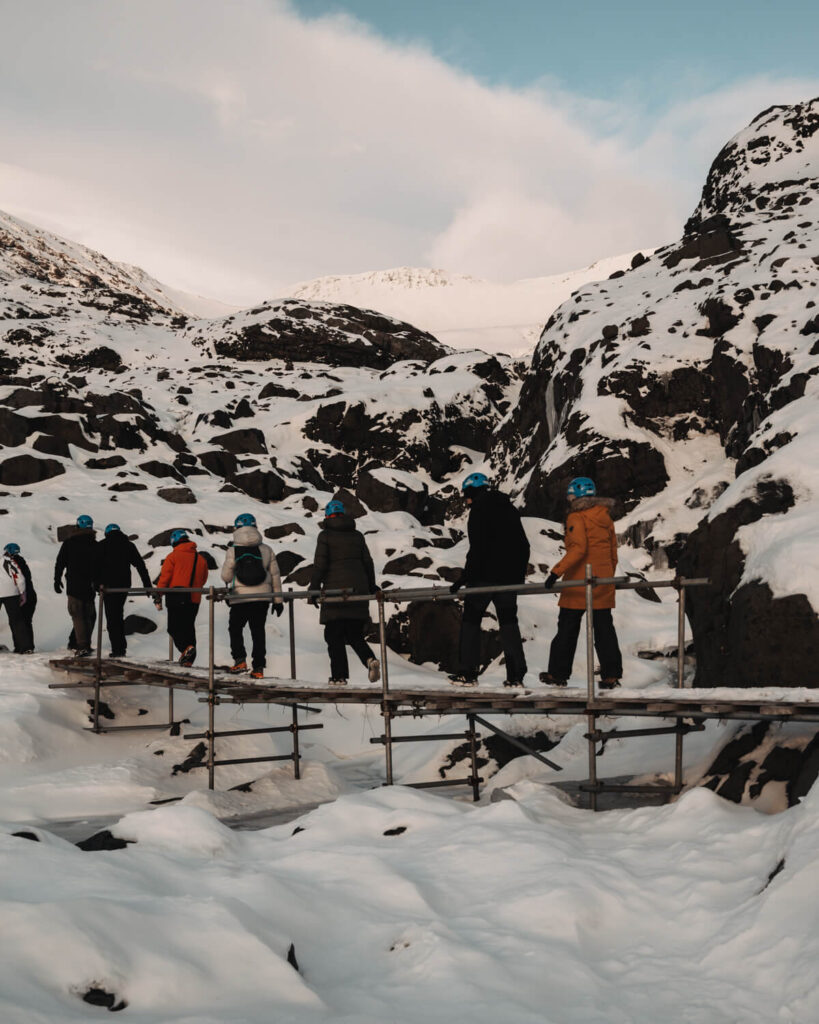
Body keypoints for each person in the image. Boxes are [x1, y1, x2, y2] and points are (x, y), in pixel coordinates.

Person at [448, 472, 530, 687]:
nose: (466, 500)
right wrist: (517, 576)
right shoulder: (509, 509)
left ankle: (467, 672)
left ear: (472, 492)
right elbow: (523, 545)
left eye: (466, 495)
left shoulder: (479, 510)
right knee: (509, 623)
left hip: (483, 578)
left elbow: (479, 548)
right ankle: (516, 676)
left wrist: (464, 577)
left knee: (471, 621)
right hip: (508, 579)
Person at [541, 477, 623, 689]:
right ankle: (611, 675)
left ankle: (557, 673)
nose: (568, 500)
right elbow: (614, 553)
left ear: (575, 496)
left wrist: (555, 573)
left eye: (569, 496)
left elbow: (578, 548)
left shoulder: (576, 517)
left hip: (578, 582)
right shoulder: (606, 518)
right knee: (604, 629)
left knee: (567, 629)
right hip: (602, 580)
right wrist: (607, 576)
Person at [308, 499, 380, 686]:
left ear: (328, 516)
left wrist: (314, 589)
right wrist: (371, 586)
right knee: (354, 634)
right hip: (359, 592)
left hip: (335, 593)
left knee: (333, 635)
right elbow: (368, 562)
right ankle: (369, 660)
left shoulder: (325, 535)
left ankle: (339, 677)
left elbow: (320, 565)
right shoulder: (357, 535)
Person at [220, 512, 283, 679]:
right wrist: (278, 600)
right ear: (255, 527)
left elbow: (226, 576)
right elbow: (275, 576)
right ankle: (259, 668)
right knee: (257, 631)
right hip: (262, 598)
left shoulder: (233, 550)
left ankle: (240, 660)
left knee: (235, 628)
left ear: (237, 528)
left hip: (240, 597)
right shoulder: (266, 549)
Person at [95, 524, 152, 657]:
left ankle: (118, 649)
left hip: (108, 587)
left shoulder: (102, 545)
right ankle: (121, 648)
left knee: (112, 618)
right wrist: (147, 585)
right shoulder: (128, 545)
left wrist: (96, 585)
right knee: (118, 615)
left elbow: (94, 568)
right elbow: (140, 565)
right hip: (124, 586)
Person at [154, 529, 209, 667]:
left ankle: (185, 649)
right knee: (188, 627)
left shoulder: (173, 556)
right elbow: (203, 579)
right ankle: (188, 660)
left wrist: (158, 594)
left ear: (174, 542)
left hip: (176, 596)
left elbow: (165, 577)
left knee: (173, 628)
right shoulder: (200, 559)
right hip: (194, 598)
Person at [54, 514, 98, 656]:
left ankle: (81, 646)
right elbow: (101, 566)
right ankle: (81, 643)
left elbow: (60, 562)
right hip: (91, 586)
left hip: (74, 585)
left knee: (78, 615)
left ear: (78, 526)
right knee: (89, 615)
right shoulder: (95, 544)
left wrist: (57, 579)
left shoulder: (69, 543)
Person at [3, 543, 35, 653]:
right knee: (19, 621)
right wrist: (23, 593)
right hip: (17, 593)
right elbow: (22, 579)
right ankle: (26, 647)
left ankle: (21, 647)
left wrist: (22, 593)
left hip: (12, 593)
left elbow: (20, 578)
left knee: (17, 621)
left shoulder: (7, 560)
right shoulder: (17, 561)